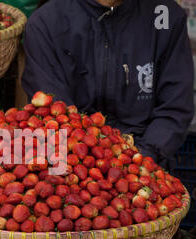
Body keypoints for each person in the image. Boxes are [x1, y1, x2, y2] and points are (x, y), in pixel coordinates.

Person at [21, 0, 195, 170]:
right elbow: (54, 114)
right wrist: (89, 165)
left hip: (146, 164)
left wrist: (142, 156)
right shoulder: (46, 22)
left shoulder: (167, 17)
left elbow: (174, 108)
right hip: (73, 166)